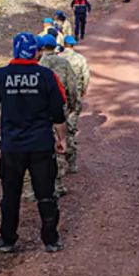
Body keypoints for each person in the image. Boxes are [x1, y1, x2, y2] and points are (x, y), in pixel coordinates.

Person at [0, 33, 68, 254]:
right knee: (46, 194)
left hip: (12, 147)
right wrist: (62, 139)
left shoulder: (0, 75)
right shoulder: (47, 75)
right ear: (36, 51)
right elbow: (58, 112)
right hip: (41, 145)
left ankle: (7, 239)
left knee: (10, 195)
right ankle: (51, 240)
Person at [37, 34, 82, 194]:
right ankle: (58, 185)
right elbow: (73, 85)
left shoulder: (38, 64)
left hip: (39, 112)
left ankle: (36, 187)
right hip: (58, 109)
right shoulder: (63, 62)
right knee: (59, 143)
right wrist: (74, 105)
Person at [59, 36, 90, 173]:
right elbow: (86, 76)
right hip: (74, 95)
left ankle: (58, 165)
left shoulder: (57, 58)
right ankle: (72, 163)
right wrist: (82, 90)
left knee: (57, 130)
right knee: (70, 130)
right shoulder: (80, 59)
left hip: (58, 97)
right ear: (73, 45)